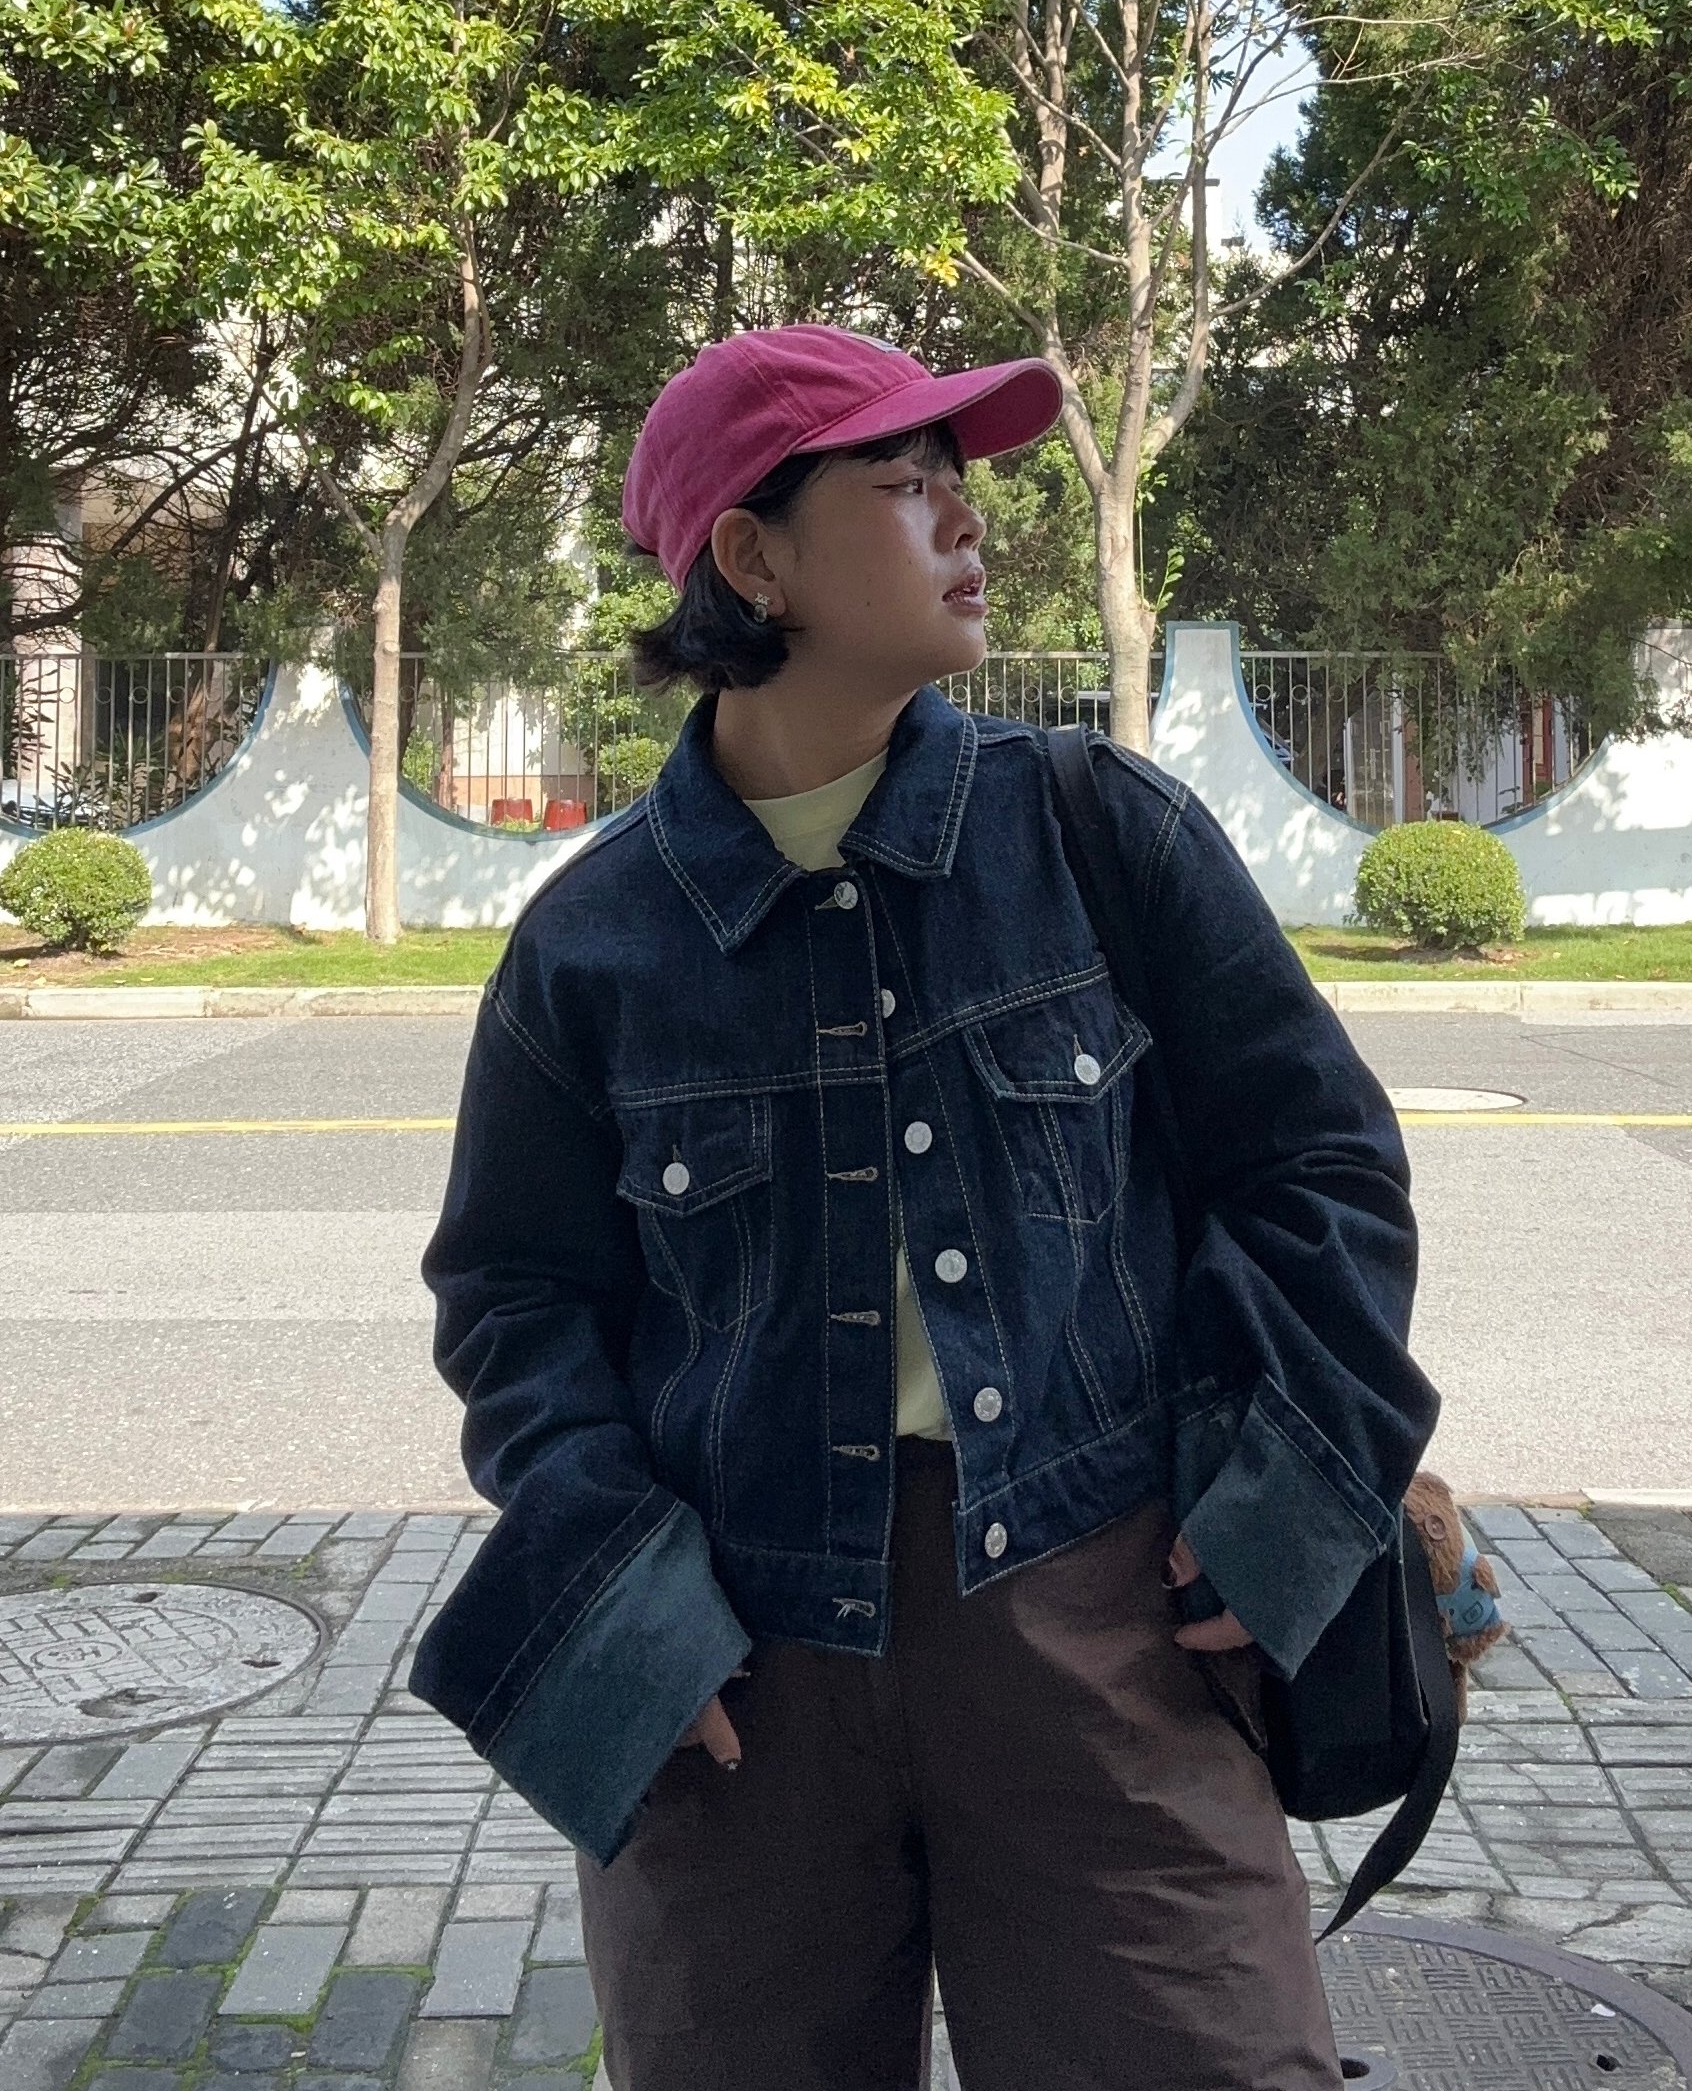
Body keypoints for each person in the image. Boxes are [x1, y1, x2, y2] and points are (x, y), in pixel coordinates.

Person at [413, 323, 1439, 2091]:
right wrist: (618, 1599)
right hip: (736, 1669)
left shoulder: (1096, 834)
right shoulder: (593, 946)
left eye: (958, 485)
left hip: (1099, 1612)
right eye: (903, 486)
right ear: (753, 558)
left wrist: (1283, 1498)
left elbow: (1319, 1168)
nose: (968, 524)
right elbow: (514, 1302)